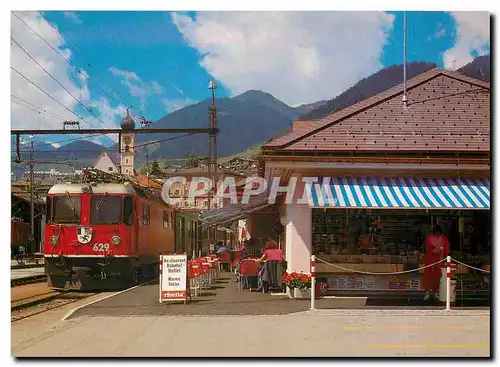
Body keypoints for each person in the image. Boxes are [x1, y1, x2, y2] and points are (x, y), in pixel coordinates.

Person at [424, 225, 450, 301]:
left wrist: (445, 254)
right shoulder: (430, 238)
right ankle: (428, 292)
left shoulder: (443, 238)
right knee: (428, 275)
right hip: (431, 258)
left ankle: (435, 292)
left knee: (437, 276)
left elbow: (447, 249)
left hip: (439, 259)